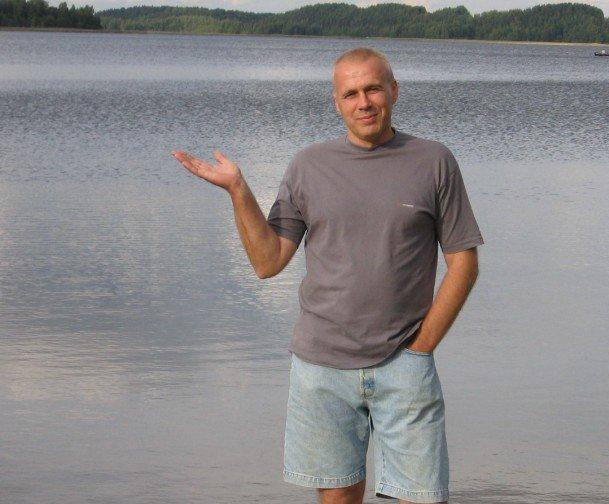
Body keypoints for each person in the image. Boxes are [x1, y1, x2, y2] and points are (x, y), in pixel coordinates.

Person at [171, 47, 484, 504]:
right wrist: (238, 191)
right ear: (336, 103)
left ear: (394, 91)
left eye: (373, 89)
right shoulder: (308, 166)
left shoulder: (433, 161)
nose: (364, 102)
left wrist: (422, 347)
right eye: (351, 94)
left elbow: (464, 264)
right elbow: (268, 262)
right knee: (338, 498)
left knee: (420, 497)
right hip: (322, 367)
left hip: (405, 362)